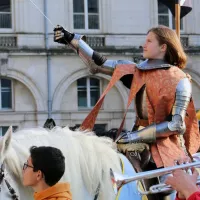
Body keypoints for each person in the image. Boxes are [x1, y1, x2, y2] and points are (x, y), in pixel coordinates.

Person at [54, 25, 200, 199]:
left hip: (165, 146)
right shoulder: (136, 71)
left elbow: (176, 124)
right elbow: (98, 63)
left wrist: (137, 136)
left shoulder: (180, 80)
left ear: (163, 47)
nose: (143, 45)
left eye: (149, 41)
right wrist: (73, 41)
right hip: (132, 139)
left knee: (166, 189)